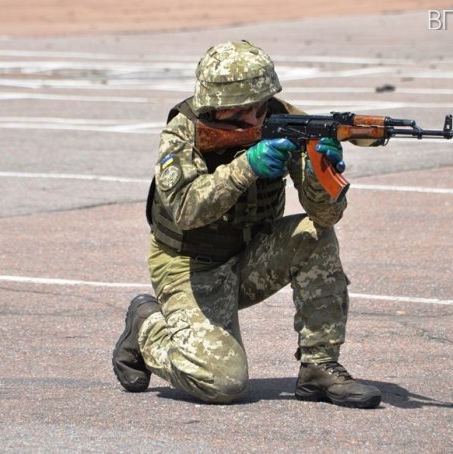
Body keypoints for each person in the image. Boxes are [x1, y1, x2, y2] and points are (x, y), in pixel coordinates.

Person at [113, 40, 381, 408]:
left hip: (251, 255)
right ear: (216, 105)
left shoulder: (286, 120)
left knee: (314, 235)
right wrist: (246, 166)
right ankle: (148, 327)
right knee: (221, 383)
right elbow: (185, 210)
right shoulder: (183, 132)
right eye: (243, 110)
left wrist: (321, 172)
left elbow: (325, 216)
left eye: (261, 106)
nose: (257, 118)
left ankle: (319, 367)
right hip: (189, 268)